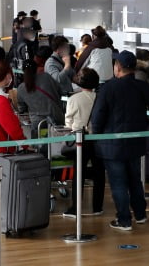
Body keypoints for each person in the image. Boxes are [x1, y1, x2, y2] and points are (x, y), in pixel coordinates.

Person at [92, 51, 149, 231]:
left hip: (111, 145)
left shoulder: (107, 88)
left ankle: (124, 220)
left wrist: (94, 136)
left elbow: (98, 117)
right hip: (135, 142)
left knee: (118, 183)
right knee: (135, 180)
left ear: (118, 67)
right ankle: (140, 214)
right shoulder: (142, 86)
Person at [63, 67, 105, 218]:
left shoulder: (74, 99)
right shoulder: (100, 97)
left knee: (78, 173)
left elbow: (68, 122)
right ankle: (98, 207)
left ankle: (76, 208)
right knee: (99, 173)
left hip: (80, 139)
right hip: (98, 139)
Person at [17, 59, 65, 135]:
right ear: (36, 68)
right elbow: (60, 91)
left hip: (37, 123)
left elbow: (22, 108)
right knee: (57, 144)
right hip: (56, 118)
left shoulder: (21, 88)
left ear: (23, 71)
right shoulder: (46, 77)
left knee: (39, 145)